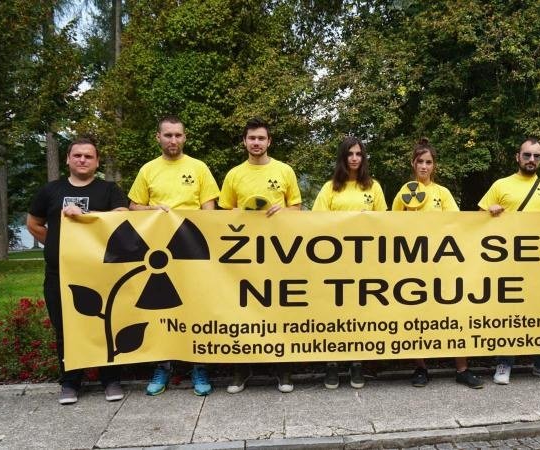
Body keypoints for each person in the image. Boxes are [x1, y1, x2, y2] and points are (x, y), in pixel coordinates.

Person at [27, 137, 130, 405]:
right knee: (65, 328)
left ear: (97, 161)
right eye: (77, 155)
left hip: (100, 273)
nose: (82, 160)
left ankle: (110, 379)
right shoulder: (51, 190)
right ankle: (70, 382)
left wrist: (85, 215)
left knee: (104, 324)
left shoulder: (109, 189)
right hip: (59, 273)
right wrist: (56, 243)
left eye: (88, 156)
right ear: (67, 159)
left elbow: (122, 215)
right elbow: (34, 223)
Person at [128, 115, 220, 396]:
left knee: (195, 309)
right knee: (161, 311)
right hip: (158, 254)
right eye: (168, 135)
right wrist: (152, 211)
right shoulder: (148, 170)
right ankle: (163, 366)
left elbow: (209, 211)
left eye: (178, 135)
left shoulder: (199, 168)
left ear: (185, 137)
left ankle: (199, 366)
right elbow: (134, 207)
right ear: (158, 137)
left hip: (191, 253)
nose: (173, 140)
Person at [392, 138, 484, 389]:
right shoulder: (404, 191)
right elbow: (392, 226)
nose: (424, 166)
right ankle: (421, 368)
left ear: (434, 166)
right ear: (413, 163)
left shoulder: (442, 193)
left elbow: (455, 223)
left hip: (442, 264)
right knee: (416, 316)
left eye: (428, 162)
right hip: (413, 266)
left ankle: (462, 369)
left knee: (454, 314)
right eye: (420, 161)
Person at [219, 118, 302, 394]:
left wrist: (283, 211)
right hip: (243, 252)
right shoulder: (234, 175)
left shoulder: (285, 171)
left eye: (261, 138)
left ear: (269, 142)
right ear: (244, 142)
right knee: (241, 308)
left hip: (279, 252)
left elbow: (297, 209)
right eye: (252, 138)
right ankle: (242, 368)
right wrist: (240, 214)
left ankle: (283, 368)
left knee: (278, 306)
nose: (256, 143)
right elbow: (223, 212)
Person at [477, 137, 540, 384]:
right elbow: (477, 219)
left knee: (539, 310)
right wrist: (489, 211)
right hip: (506, 260)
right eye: (527, 155)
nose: (531, 159)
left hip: (539, 261)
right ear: (517, 157)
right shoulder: (501, 185)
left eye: (536, 156)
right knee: (509, 311)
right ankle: (504, 363)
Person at [312, 136, 386, 388]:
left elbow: (385, 223)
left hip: (364, 261)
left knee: (359, 312)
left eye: (358, 154)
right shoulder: (330, 188)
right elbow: (316, 222)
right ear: (342, 158)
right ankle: (332, 363)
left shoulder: (373, 187)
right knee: (333, 312)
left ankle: (356, 363)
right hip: (334, 261)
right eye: (350, 154)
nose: (354, 158)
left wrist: (369, 220)